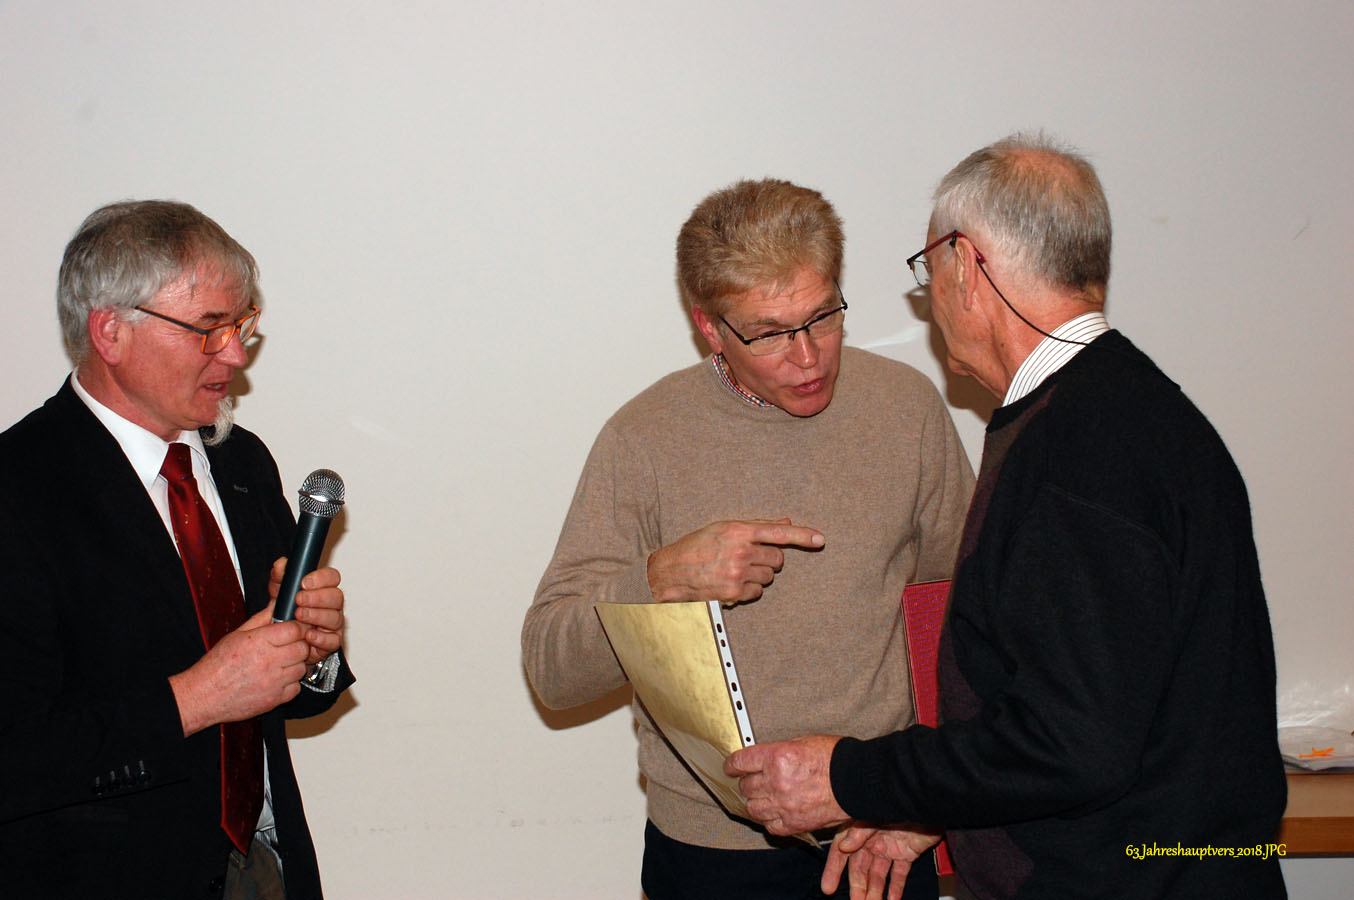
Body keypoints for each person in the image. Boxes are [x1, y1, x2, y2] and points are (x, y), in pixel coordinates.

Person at [725, 135, 1287, 899]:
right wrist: (934, 806)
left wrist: (851, 777)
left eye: (927, 271)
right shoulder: (1124, 411)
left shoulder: (1082, 452)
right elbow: (1098, 710)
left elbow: (1070, 745)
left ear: (966, 264)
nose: (929, 297)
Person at [522, 178, 975, 900]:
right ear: (710, 327)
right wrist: (661, 579)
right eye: (768, 333)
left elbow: (974, 622)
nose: (808, 356)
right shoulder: (643, 438)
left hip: (880, 831)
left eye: (823, 316)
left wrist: (934, 801)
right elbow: (552, 669)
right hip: (713, 853)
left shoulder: (906, 407)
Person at [0, 200, 356, 899]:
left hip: (263, 868)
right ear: (111, 331)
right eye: (208, 329)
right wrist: (196, 698)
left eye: (242, 325)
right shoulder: (19, 490)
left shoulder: (241, 463)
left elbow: (281, 703)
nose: (236, 355)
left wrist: (312, 653)